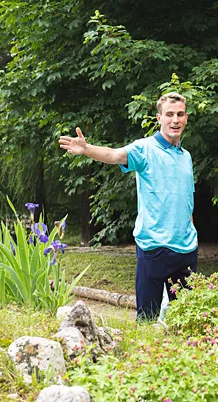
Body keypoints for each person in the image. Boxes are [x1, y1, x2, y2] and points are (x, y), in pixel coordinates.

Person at [58, 92, 198, 321]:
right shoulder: (145, 149)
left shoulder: (186, 157)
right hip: (154, 246)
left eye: (180, 114)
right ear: (159, 118)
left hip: (186, 249)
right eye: (169, 114)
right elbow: (114, 155)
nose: (175, 120)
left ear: (186, 118)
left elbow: (186, 200)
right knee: (148, 320)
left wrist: (193, 234)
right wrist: (87, 149)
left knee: (187, 321)